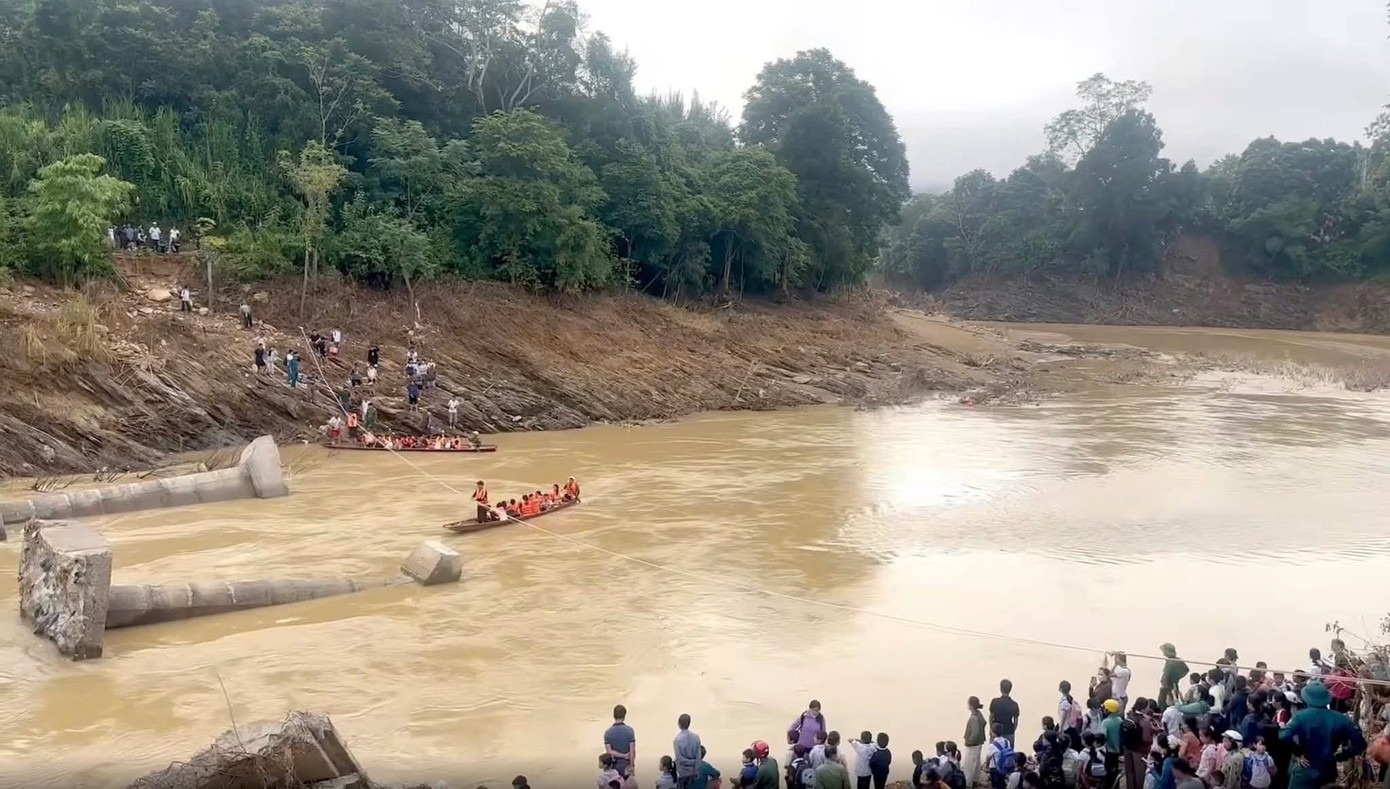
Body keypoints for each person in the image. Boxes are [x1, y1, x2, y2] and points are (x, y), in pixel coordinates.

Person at [1278, 680, 1365, 789]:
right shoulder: (1341, 718)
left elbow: (1283, 735)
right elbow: (1360, 743)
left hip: (1305, 769)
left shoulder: (1299, 716)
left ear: (1306, 698)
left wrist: (1298, 752)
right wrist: (1342, 755)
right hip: (1328, 770)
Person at [603, 704, 635, 778]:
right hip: (626, 765)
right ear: (624, 716)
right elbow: (632, 751)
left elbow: (609, 752)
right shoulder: (630, 731)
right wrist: (631, 766)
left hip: (613, 767)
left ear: (614, 715)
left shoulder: (608, 732)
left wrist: (622, 755)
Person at [964, 696, 988, 788]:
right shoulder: (979, 714)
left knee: (970, 764)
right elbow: (984, 724)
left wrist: (969, 742)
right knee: (977, 763)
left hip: (973, 744)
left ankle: (968, 783)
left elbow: (975, 733)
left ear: (971, 706)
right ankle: (975, 780)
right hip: (979, 742)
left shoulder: (973, 718)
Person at [674, 713, 702, 788]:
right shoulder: (696, 737)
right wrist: (696, 769)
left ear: (678, 724)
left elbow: (679, 758)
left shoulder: (677, 739)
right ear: (689, 723)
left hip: (682, 772)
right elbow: (698, 757)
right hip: (693, 771)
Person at [991, 680, 1021, 747]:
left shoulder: (995, 702)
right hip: (1009, 731)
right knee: (1008, 753)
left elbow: (991, 716)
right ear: (1010, 689)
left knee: (995, 752)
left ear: (1001, 689)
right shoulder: (1014, 704)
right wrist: (1012, 730)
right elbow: (1016, 721)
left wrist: (991, 729)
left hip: (996, 731)